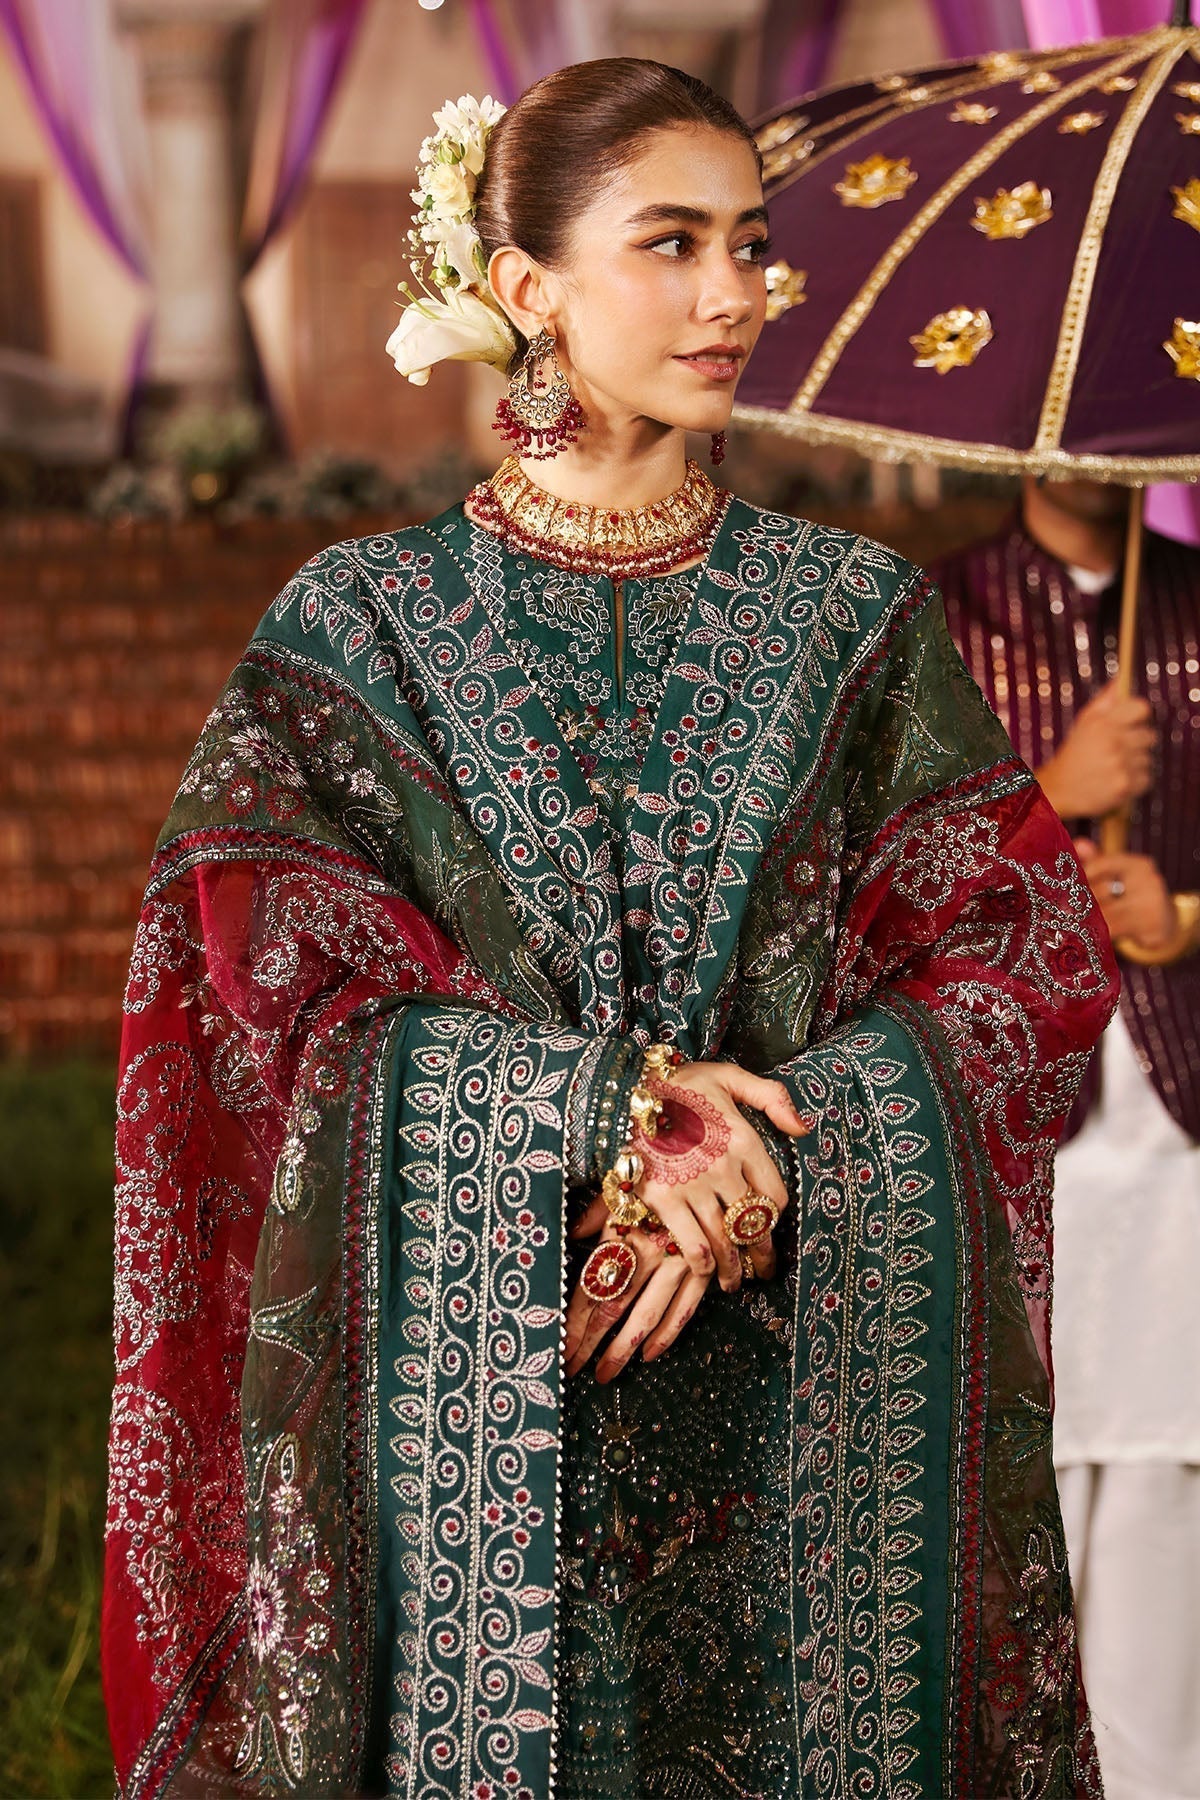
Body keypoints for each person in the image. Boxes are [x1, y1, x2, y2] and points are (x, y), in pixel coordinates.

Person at [104, 62, 1118, 1800]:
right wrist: (607, 1113)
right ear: (528, 287)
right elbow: (249, 1002)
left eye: (752, 244)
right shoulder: (363, 629)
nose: (735, 294)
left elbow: (1017, 957)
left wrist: (757, 1156)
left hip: (806, 1448)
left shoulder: (852, 620)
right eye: (673, 243)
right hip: (474, 1470)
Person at [934, 477, 1200, 1800]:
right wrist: (1051, 791)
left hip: (1180, 1123)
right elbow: (876, 881)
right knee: (1013, 1489)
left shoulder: (1193, 605)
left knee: (1168, 1484)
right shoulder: (937, 618)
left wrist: (1181, 913)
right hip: (1009, 1127)